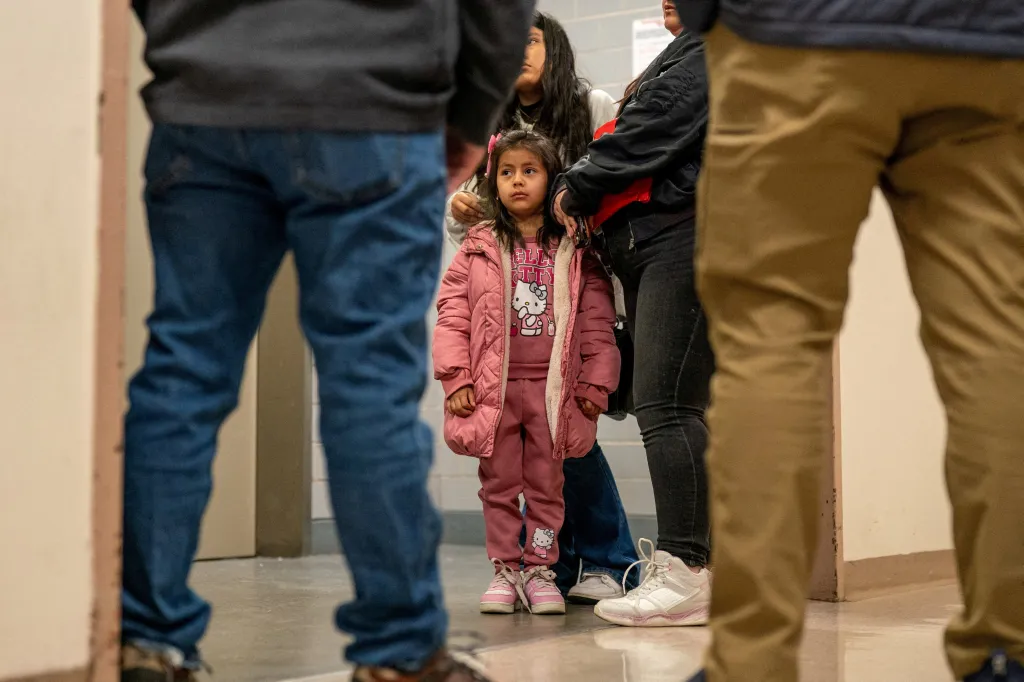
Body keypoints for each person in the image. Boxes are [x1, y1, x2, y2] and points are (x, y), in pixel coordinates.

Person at [120, 1, 535, 681]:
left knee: (182, 372)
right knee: (369, 381)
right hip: (372, 96)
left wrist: (194, 42)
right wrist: (472, 109)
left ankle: (146, 643)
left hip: (206, 101)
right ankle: (401, 652)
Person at [674, 0, 1024, 681]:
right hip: (986, 40)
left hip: (794, 31)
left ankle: (750, 664)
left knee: (769, 339)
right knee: (997, 341)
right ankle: (1007, 649)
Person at [444, 10, 640, 605]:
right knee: (534, 460)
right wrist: (461, 213)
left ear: (552, 48)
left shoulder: (592, 106)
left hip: (588, 286)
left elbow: (620, 180)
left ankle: (610, 560)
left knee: (574, 440)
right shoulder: (492, 127)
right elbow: (480, 253)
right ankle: (553, 565)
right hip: (515, 338)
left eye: (527, 39)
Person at [551, 1, 713, 628]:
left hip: (680, 238)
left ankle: (686, 572)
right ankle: (694, 568)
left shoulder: (709, 47)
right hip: (653, 244)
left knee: (667, 405)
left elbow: (649, 129)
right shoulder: (689, 50)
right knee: (673, 405)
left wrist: (579, 178)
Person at [434, 130, 620, 617]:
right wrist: (458, 378)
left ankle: (540, 569)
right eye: (507, 172)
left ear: (551, 178)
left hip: (552, 393)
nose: (518, 181)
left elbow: (598, 323)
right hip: (494, 391)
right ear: (493, 182)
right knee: (497, 484)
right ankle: (505, 569)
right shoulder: (476, 247)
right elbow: (452, 315)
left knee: (546, 484)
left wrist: (594, 384)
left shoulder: (576, 251)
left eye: (530, 171)